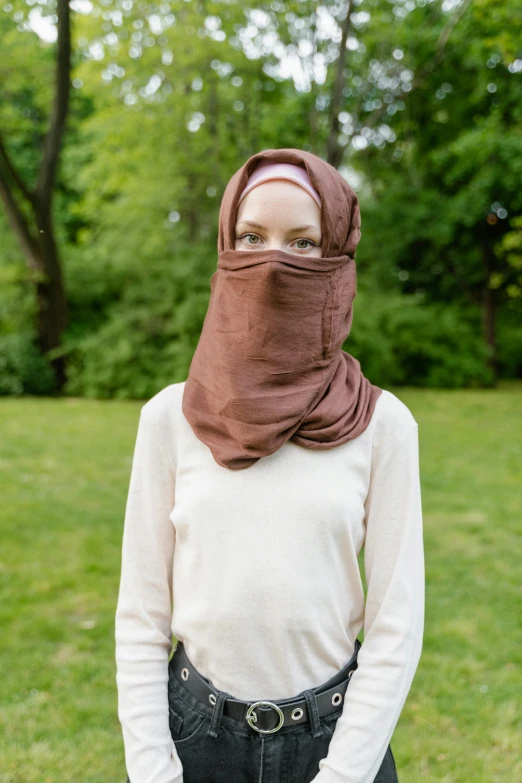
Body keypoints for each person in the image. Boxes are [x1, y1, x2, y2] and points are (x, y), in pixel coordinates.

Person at [115, 148, 425, 783]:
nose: (273, 261)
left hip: (337, 745)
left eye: (303, 243)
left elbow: (395, 627)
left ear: (336, 259)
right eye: (252, 237)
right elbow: (141, 619)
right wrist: (153, 771)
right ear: (227, 248)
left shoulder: (383, 425)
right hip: (195, 740)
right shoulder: (169, 419)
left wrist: (343, 774)